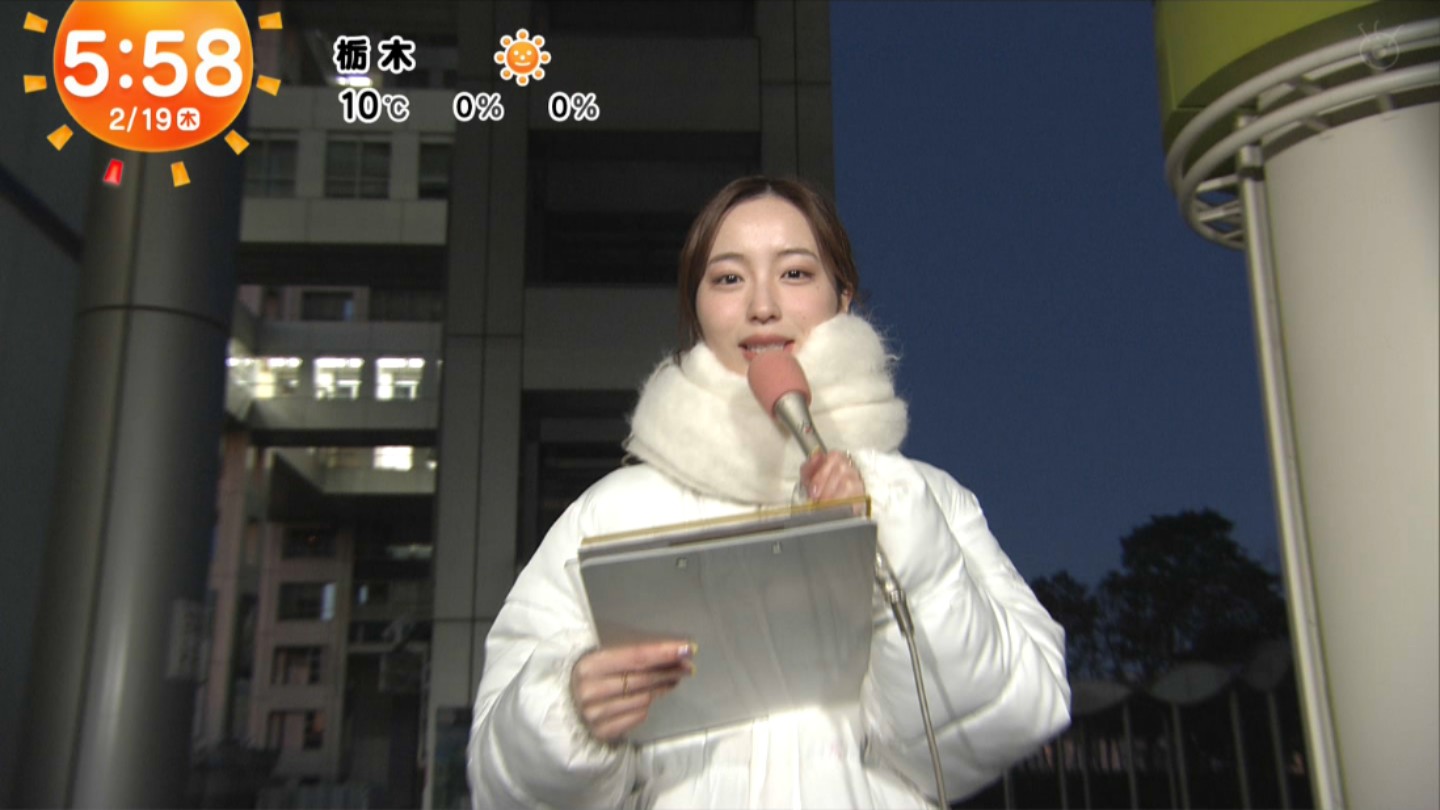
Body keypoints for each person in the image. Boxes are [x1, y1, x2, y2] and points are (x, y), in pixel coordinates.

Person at [467, 176, 1070, 808]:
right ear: (697, 308)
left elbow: (1021, 710)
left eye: (795, 274)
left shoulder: (923, 500)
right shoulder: (609, 512)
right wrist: (566, 714)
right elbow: (495, 777)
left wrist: (898, 545)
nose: (762, 305)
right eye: (729, 278)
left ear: (842, 297)